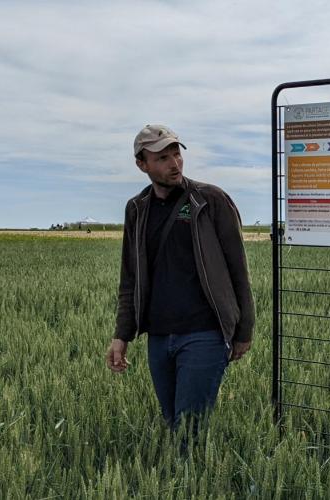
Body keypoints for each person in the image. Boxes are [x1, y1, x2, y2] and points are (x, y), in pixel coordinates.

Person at [106, 124, 254, 440]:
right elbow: (129, 277)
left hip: (205, 333)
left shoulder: (210, 200)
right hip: (159, 337)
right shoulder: (137, 209)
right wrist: (122, 335)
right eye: (162, 158)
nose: (174, 163)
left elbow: (238, 270)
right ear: (141, 164)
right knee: (174, 424)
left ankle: (193, 483)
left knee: (190, 431)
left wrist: (244, 331)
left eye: (176, 154)